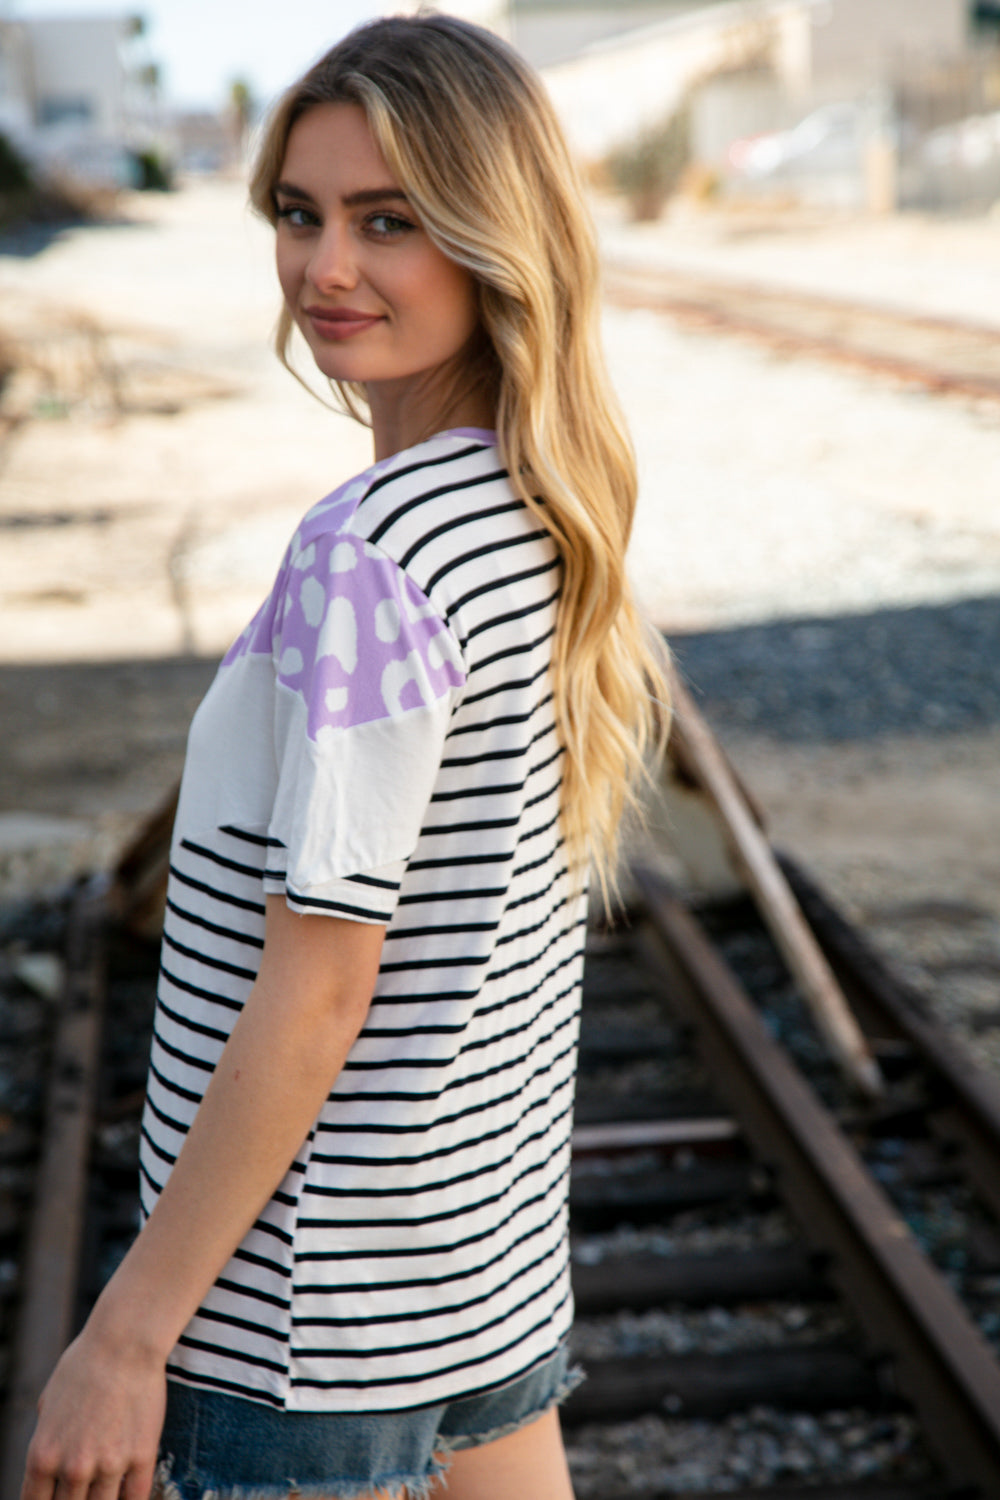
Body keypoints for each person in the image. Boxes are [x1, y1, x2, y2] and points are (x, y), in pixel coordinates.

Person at [21, 14, 668, 1500]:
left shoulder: (369, 556)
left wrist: (129, 1333)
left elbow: (320, 980)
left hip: (304, 1331)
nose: (327, 269)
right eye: (298, 214)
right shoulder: (540, 501)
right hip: (483, 1276)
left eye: (392, 221)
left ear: (495, 233)